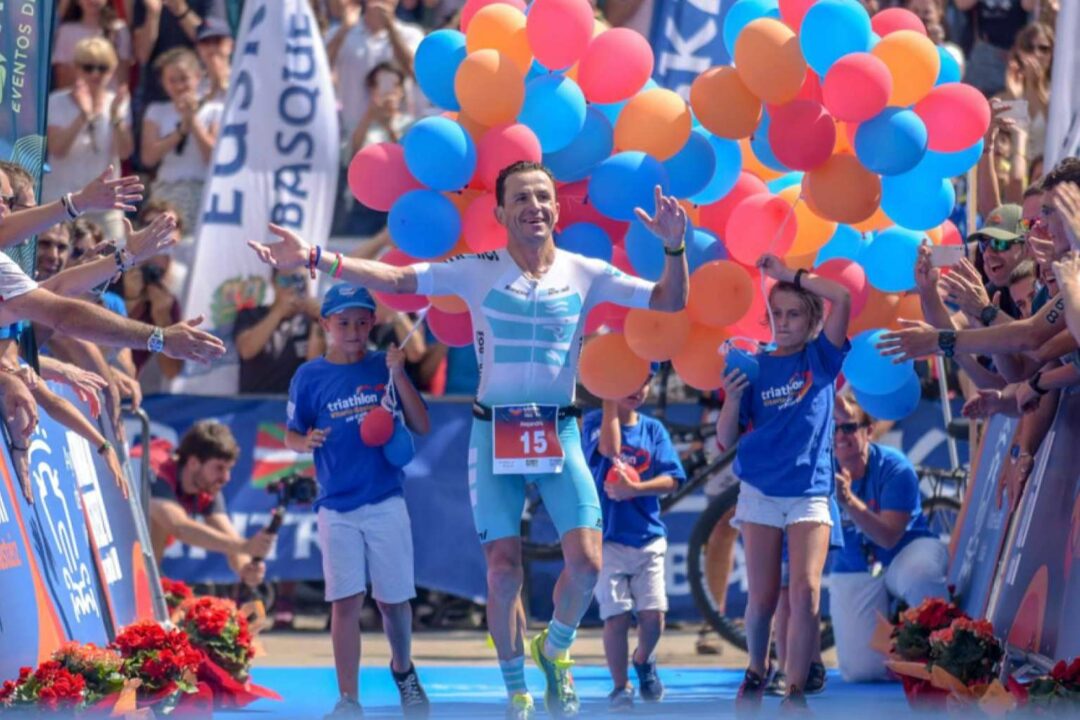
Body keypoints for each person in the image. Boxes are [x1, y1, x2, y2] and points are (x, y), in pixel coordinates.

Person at [249, 160, 689, 719]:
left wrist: (676, 250)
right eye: (522, 198)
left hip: (559, 428)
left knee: (586, 566)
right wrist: (316, 257)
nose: (534, 206)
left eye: (543, 197)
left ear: (557, 208)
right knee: (503, 570)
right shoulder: (477, 269)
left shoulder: (587, 270)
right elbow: (400, 280)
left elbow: (669, 302)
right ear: (501, 212)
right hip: (494, 431)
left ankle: (553, 650)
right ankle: (516, 687)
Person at [284, 284, 430, 719]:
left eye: (360, 321)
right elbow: (291, 432)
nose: (352, 330)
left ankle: (403, 671)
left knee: (393, 601)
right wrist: (303, 441)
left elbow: (421, 423)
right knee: (344, 601)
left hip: (385, 499)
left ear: (373, 323)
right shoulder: (309, 376)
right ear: (325, 325)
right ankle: (348, 699)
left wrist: (400, 374)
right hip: (335, 505)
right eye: (342, 322)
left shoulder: (384, 366)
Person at [714, 255, 852, 710]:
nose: (784, 322)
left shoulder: (821, 358)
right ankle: (757, 667)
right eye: (777, 314)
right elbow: (725, 438)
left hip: (810, 491)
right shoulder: (753, 364)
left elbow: (842, 296)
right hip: (760, 492)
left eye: (794, 313)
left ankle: (796, 690)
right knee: (763, 596)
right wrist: (733, 398)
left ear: (812, 319)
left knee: (808, 590)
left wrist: (788, 275)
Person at [582, 365, 685, 711]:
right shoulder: (596, 421)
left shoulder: (654, 430)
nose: (639, 388)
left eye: (645, 381)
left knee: (653, 617)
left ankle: (643, 660)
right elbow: (609, 450)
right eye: (630, 378)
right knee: (616, 617)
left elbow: (672, 479)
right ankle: (620, 686)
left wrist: (636, 489)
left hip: (647, 538)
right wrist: (609, 396)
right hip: (607, 540)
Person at [829, 393, 948, 681]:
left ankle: (945, 657)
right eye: (833, 429)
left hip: (904, 551)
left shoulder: (896, 467)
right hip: (855, 564)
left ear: (868, 431)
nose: (840, 435)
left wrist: (849, 502)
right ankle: (899, 636)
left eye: (849, 427)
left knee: (922, 575)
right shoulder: (817, 471)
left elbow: (889, 537)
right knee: (861, 672)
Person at [147, 420, 277, 586]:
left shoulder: (206, 486)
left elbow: (229, 537)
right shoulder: (156, 469)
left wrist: (245, 568)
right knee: (158, 522)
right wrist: (245, 546)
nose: (226, 478)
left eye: (229, 469)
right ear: (193, 462)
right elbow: (180, 527)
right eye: (219, 468)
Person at [45, 37, 133, 243]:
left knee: (114, 261)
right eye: (88, 67)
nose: (95, 74)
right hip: (63, 199)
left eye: (102, 68)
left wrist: (115, 117)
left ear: (112, 70)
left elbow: (125, 151)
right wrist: (83, 115)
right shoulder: (57, 101)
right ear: (76, 68)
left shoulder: (118, 103)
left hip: (106, 204)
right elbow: (57, 149)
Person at [140, 47, 223, 234]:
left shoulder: (215, 111)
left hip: (199, 190)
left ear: (197, 77)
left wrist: (193, 121)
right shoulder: (156, 111)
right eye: (172, 80)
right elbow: (148, 157)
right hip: (166, 191)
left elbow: (213, 157)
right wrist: (180, 132)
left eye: (184, 79)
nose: (179, 86)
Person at [234, 268, 324, 394]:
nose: (292, 287)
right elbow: (246, 350)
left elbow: (314, 367)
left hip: (294, 404)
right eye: (286, 281)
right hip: (253, 406)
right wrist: (278, 312)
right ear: (273, 282)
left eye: (300, 280)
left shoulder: (311, 321)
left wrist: (318, 319)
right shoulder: (251, 315)